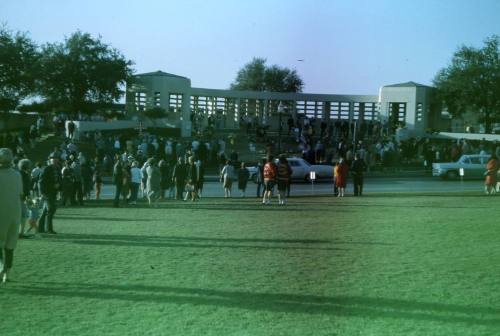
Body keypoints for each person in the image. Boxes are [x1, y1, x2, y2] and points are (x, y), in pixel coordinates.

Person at [0, 148, 23, 283]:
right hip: (14, 212)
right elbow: (20, 193)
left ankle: (1, 267)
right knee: (10, 245)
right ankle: (7, 274)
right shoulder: (17, 175)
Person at [38, 154, 61, 233]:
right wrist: (42, 193)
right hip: (47, 192)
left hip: (54, 192)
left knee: (46, 211)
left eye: (56, 158)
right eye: (53, 159)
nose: (54, 160)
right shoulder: (46, 169)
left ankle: (40, 228)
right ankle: (49, 229)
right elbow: (41, 182)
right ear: (49, 160)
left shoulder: (58, 168)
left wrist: (59, 185)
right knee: (51, 209)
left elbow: (59, 179)